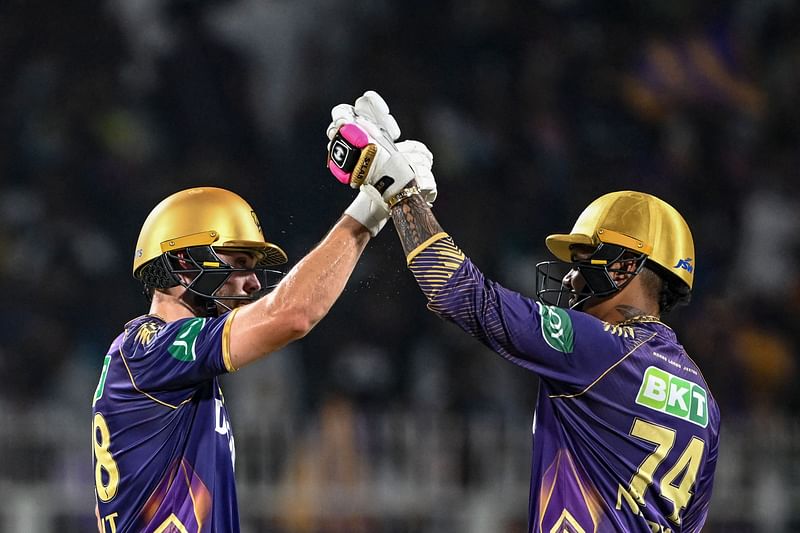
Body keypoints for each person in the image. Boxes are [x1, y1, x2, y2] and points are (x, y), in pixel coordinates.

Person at [326, 92, 720, 532]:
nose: (570, 279)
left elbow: (458, 293)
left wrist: (400, 193)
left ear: (624, 266)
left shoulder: (600, 349)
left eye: (584, 260)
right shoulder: (705, 402)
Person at [91, 176, 435, 529]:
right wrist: (369, 211)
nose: (254, 282)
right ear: (183, 261)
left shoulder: (158, 361)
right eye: (239, 262)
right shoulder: (151, 350)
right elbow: (292, 314)